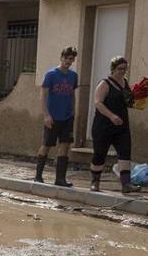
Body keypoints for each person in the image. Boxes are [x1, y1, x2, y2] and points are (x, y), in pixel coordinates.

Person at [89, 56, 137, 194]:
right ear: (113, 69)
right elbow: (98, 103)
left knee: (125, 152)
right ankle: (95, 182)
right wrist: (111, 116)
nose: (122, 72)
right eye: (119, 69)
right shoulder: (105, 83)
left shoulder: (125, 83)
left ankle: (126, 184)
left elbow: (129, 102)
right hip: (103, 126)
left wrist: (139, 97)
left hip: (121, 126)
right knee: (99, 154)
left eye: (124, 69)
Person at [36, 46, 79, 186]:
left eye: (71, 59)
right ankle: (38, 176)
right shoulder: (51, 74)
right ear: (61, 58)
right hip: (52, 116)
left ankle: (60, 179)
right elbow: (43, 95)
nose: (68, 61)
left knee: (64, 145)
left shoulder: (73, 76)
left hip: (67, 116)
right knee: (47, 145)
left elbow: (72, 94)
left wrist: (73, 111)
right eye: (66, 58)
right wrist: (46, 115)